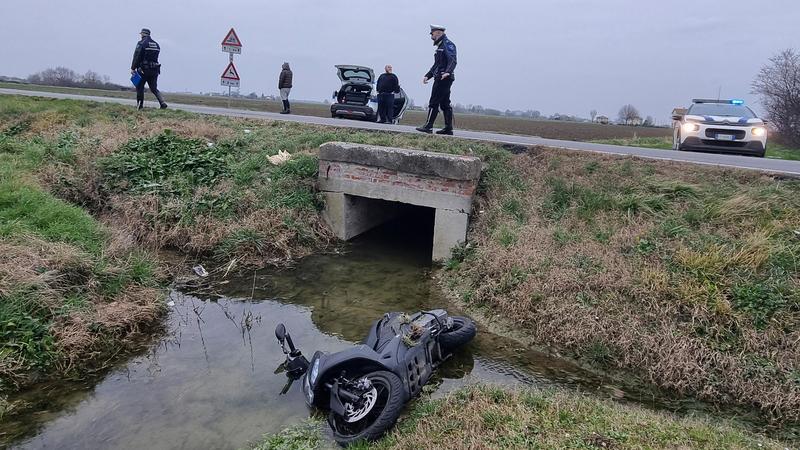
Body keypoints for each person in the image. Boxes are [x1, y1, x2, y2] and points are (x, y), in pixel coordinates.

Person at [416, 24, 457, 135]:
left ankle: (428, 126)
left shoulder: (448, 44)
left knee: (433, 102)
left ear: (439, 33)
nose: (431, 36)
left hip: (444, 78)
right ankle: (448, 128)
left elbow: (452, 60)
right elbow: (437, 65)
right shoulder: (440, 46)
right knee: (445, 104)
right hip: (441, 77)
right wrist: (428, 75)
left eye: (432, 33)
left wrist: (447, 72)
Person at [130, 28, 167, 110]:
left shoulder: (141, 43)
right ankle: (162, 102)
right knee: (154, 88)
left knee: (139, 87)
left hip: (143, 69)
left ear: (143, 34)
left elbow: (137, 56)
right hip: (155, 69)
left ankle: (140, 106)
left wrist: (133, 68)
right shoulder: (156, 44)